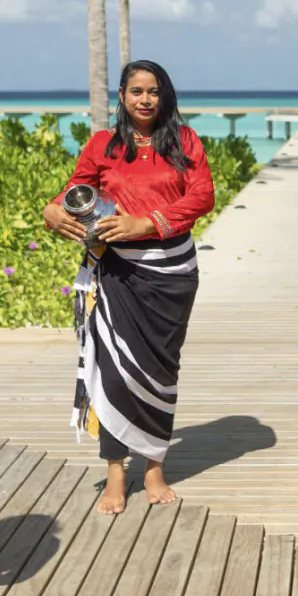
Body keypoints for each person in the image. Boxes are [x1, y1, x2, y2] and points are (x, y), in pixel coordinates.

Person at [44, 60, 215, 516]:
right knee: (116, 370)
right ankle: (117, 471)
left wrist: (148, 222)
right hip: (116, 271)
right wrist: (52, 208)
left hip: (173, 273)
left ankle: (155, 465)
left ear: (164, 96)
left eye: (153, 91)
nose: (145, 99)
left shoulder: (185, 141)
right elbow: (76, 189)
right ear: (121, 96)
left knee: (161, 369)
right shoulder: (103, 144)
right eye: (136, 91)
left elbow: (202, 196)